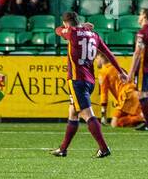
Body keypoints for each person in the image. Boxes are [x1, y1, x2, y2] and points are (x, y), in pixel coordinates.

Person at [50, 11, 122, 157]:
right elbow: (108, 53)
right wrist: (121, 71)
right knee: (73, 113)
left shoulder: (71, 33)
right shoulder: (94, 35)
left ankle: (104, 148)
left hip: (77, 81)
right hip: (90, 80)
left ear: (66, 23)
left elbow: (57, 31)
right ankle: (63, 149)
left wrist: (75, 27)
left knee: (87, 115)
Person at [127, 8, 148, 131]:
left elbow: (137, 53)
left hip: (143, 66)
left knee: (142, 95)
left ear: (145, 16)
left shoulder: (143, 32)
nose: (139, 17)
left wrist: (130, 72)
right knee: (147, 93)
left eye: (140, 14)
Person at [95, 58, 145, 128]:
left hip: (126, 95)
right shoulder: (117, 67)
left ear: (101, 58)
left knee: (114, 123)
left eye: (96, 58)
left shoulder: (103, 72)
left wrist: (103, 114)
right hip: (134, 92)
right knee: (127, 119)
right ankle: (142, 117)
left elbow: (104, 94)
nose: (96, 61)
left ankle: (143, 117)